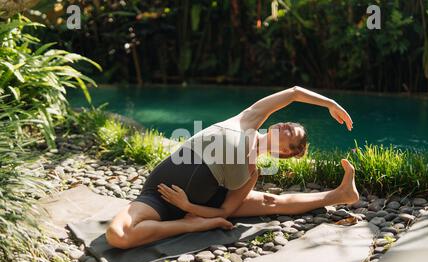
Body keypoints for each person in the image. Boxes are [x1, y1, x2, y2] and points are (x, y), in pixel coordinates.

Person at [106, 86, 359, 249]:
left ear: (287, 151)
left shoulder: (252, 172)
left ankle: (341, 194)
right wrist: (329, 103)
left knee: (271, 201)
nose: (285, 126)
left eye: (290, 133)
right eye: (287, 123)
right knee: (117, 235)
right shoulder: (248, 119)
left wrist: (188, 208)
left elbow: (225, 211)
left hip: (199, 204)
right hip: (157, 196)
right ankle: (188, 225)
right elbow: (293, 93)